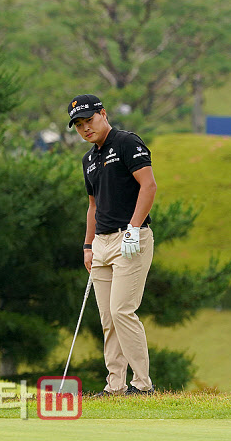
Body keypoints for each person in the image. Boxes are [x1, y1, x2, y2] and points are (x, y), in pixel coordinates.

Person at [68, 94, 157, 396]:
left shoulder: (126, 142)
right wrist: (87, 246)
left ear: (103, 114)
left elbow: (149, 185)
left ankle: (142, 385)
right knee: (108, 319)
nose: (85, 128)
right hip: (102, 244)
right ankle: (115, 386)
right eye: (79, 125)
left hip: (130, 238)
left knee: (122, 311)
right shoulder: (88, 160)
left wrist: (133, 227)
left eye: (89, 120)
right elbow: (92, 206)